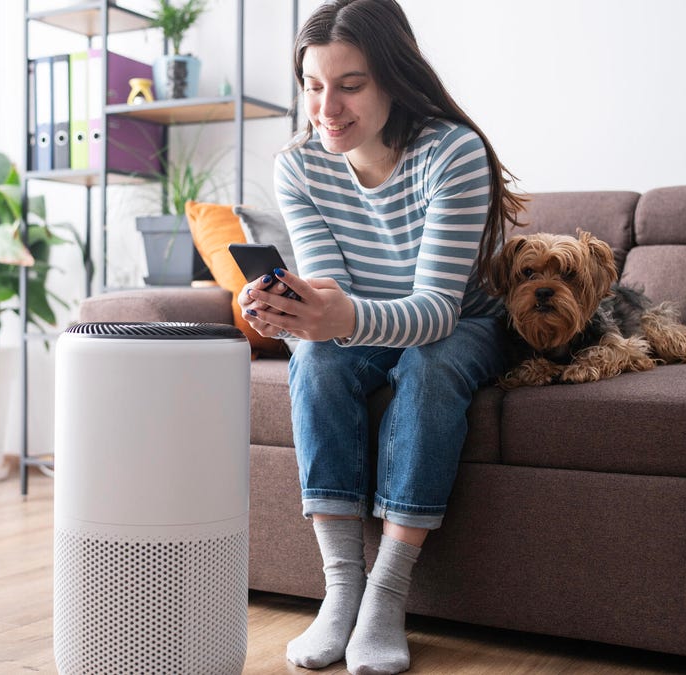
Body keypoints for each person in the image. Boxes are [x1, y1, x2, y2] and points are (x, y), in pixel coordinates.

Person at [239, 1, 526, 673]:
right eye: (313, 85)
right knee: (316, 356)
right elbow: (332, 291)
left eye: (350, 84)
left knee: (428, 364)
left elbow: (432, 311)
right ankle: (342, 588)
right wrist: (290, 313)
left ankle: (386, 593)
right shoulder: (300, 167)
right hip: (372, 315)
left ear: (394, 79)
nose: (326, 107)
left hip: (463, 320)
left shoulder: (451, 153)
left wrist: (337, 315)